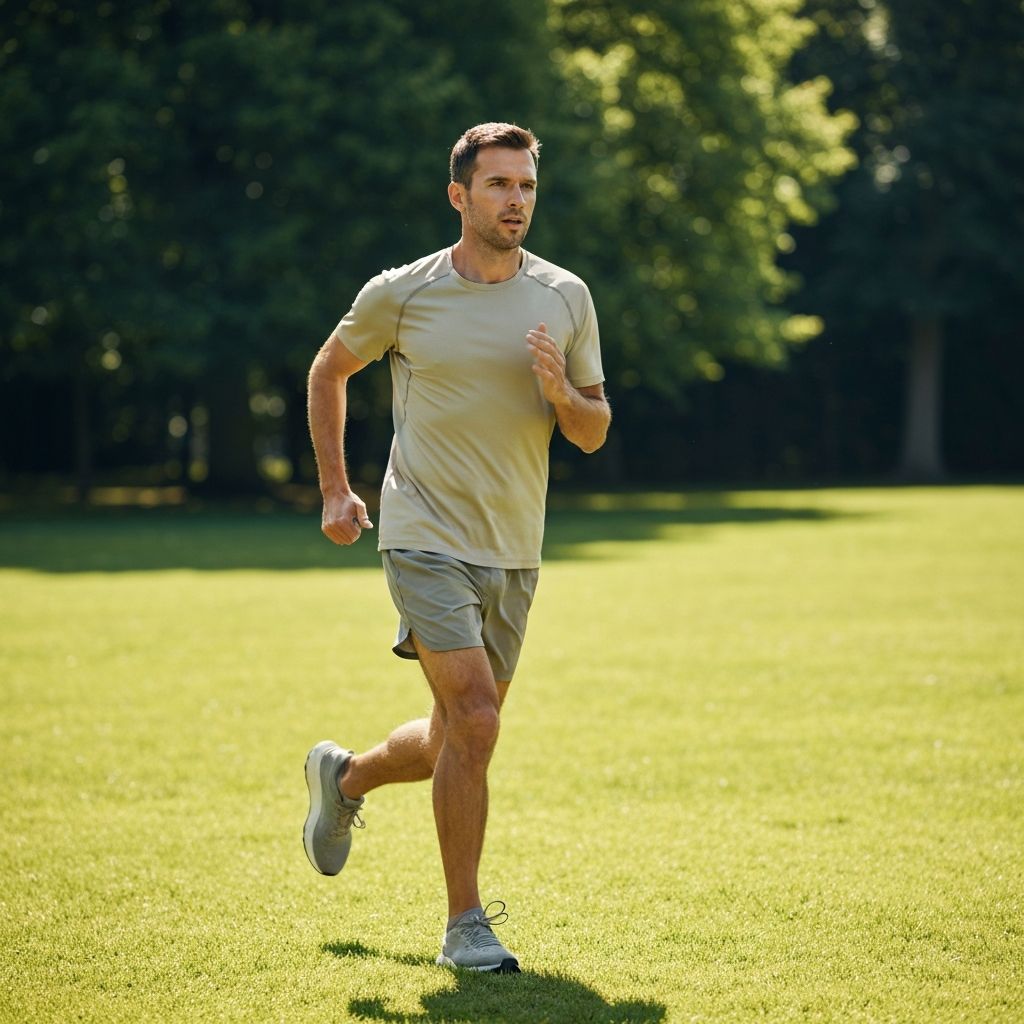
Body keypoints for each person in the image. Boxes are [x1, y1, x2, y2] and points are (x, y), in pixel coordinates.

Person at [302, 122, 610, 974]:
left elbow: (592, 430)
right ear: (459, 195)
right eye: (499, 184)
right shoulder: (404, 293)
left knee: (456, 736)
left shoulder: (565, 296)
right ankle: (465, 926)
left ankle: (346, 778)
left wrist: (561, 393)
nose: (517, 201)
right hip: (423, 533)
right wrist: (335, 488)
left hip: (514, 545)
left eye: (527, 186)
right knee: (476, 718)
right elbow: (330, 370)